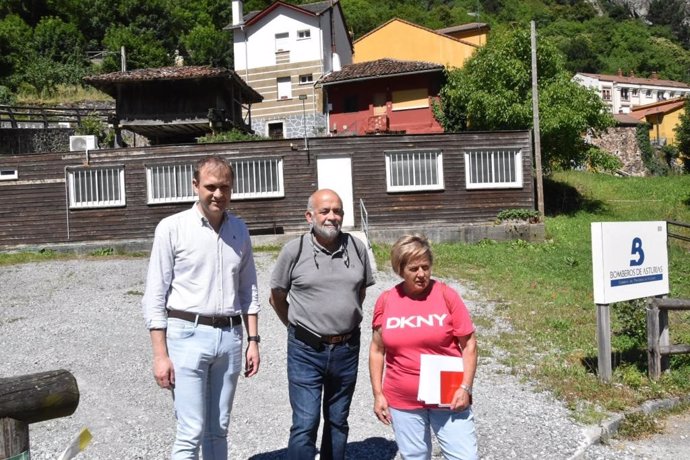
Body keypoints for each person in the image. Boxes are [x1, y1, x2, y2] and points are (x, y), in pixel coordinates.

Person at [141, 155, 260, 460]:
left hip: (231, 337)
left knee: (218, 428)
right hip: (187, 335)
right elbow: (155, 295)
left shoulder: (240, 230)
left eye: (224, 187)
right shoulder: (172, 228)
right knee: (190, 430)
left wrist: (253, 341)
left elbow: (249, 289)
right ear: (195, 185)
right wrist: (160, 355)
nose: (218, 194)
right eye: (210, 186)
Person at [270, 188, 375, 460]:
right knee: (305, 423)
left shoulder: (357, 247)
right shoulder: (294, 250)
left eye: (337, 211)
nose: (332, 217)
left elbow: (359, 292)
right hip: (306, 351)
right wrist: (297, 327)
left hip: (347, 348)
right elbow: (277, 297)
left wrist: (343, 319)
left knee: (338, 420)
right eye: (324, 211)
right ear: (309, 216)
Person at [369, 234, 478, 460]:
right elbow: (377, 350)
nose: (421, 274)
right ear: (400, 269)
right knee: (414, 457)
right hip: (402, 397)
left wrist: (465, 387)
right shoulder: (387, 300)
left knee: (464, 456)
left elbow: (469, 345)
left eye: (426, 267)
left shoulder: (446, 295)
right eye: (414, 269)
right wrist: (378, 394)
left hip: (448, 391)